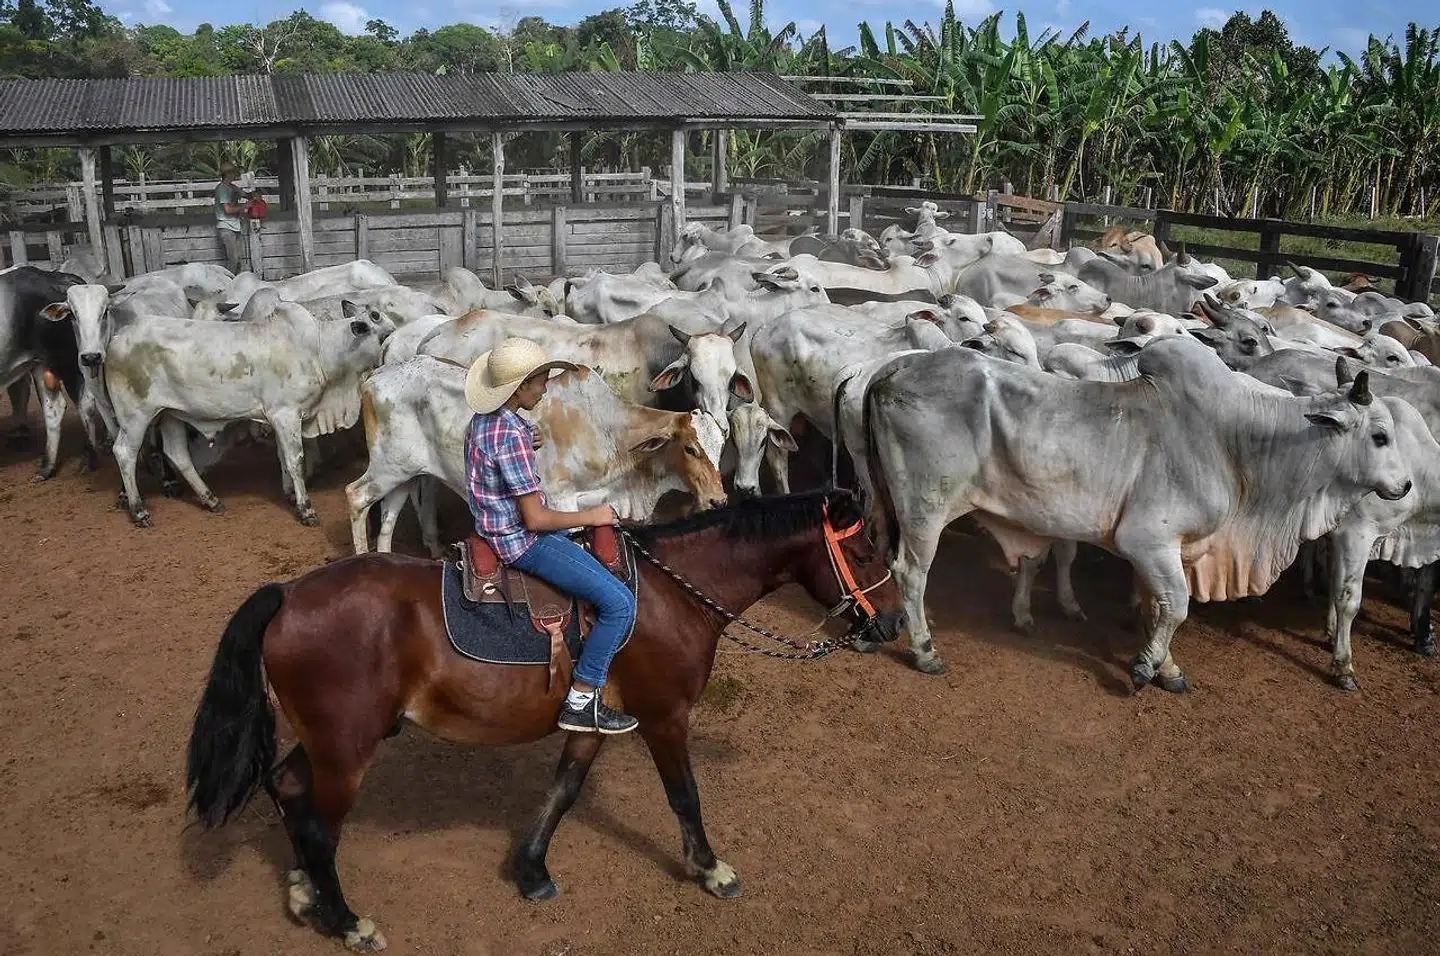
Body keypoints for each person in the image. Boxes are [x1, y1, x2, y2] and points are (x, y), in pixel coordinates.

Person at [464, 337, 640, 735]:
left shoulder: (486, 421)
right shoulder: (510, 436)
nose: (545, 387)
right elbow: (535, 519)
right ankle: (581, 699)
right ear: (519, 389)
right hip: (520, 543)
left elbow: (495, 452)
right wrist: (593, 514)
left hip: (486, 528)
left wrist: (527, 439)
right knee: (619, 602)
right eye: (541, 380)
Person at [214, 162, 245, 273]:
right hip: (226, 227)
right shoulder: (222, 189)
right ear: (228, 174)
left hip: (235, 226)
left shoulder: (232, 187)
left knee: (239, 259)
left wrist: (254, 195)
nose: (235, 175)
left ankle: (237, 283)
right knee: (233, 260)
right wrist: (245, 206)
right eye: (233, 172)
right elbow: (227, 210)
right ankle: (229, 285)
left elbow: (244, 194)